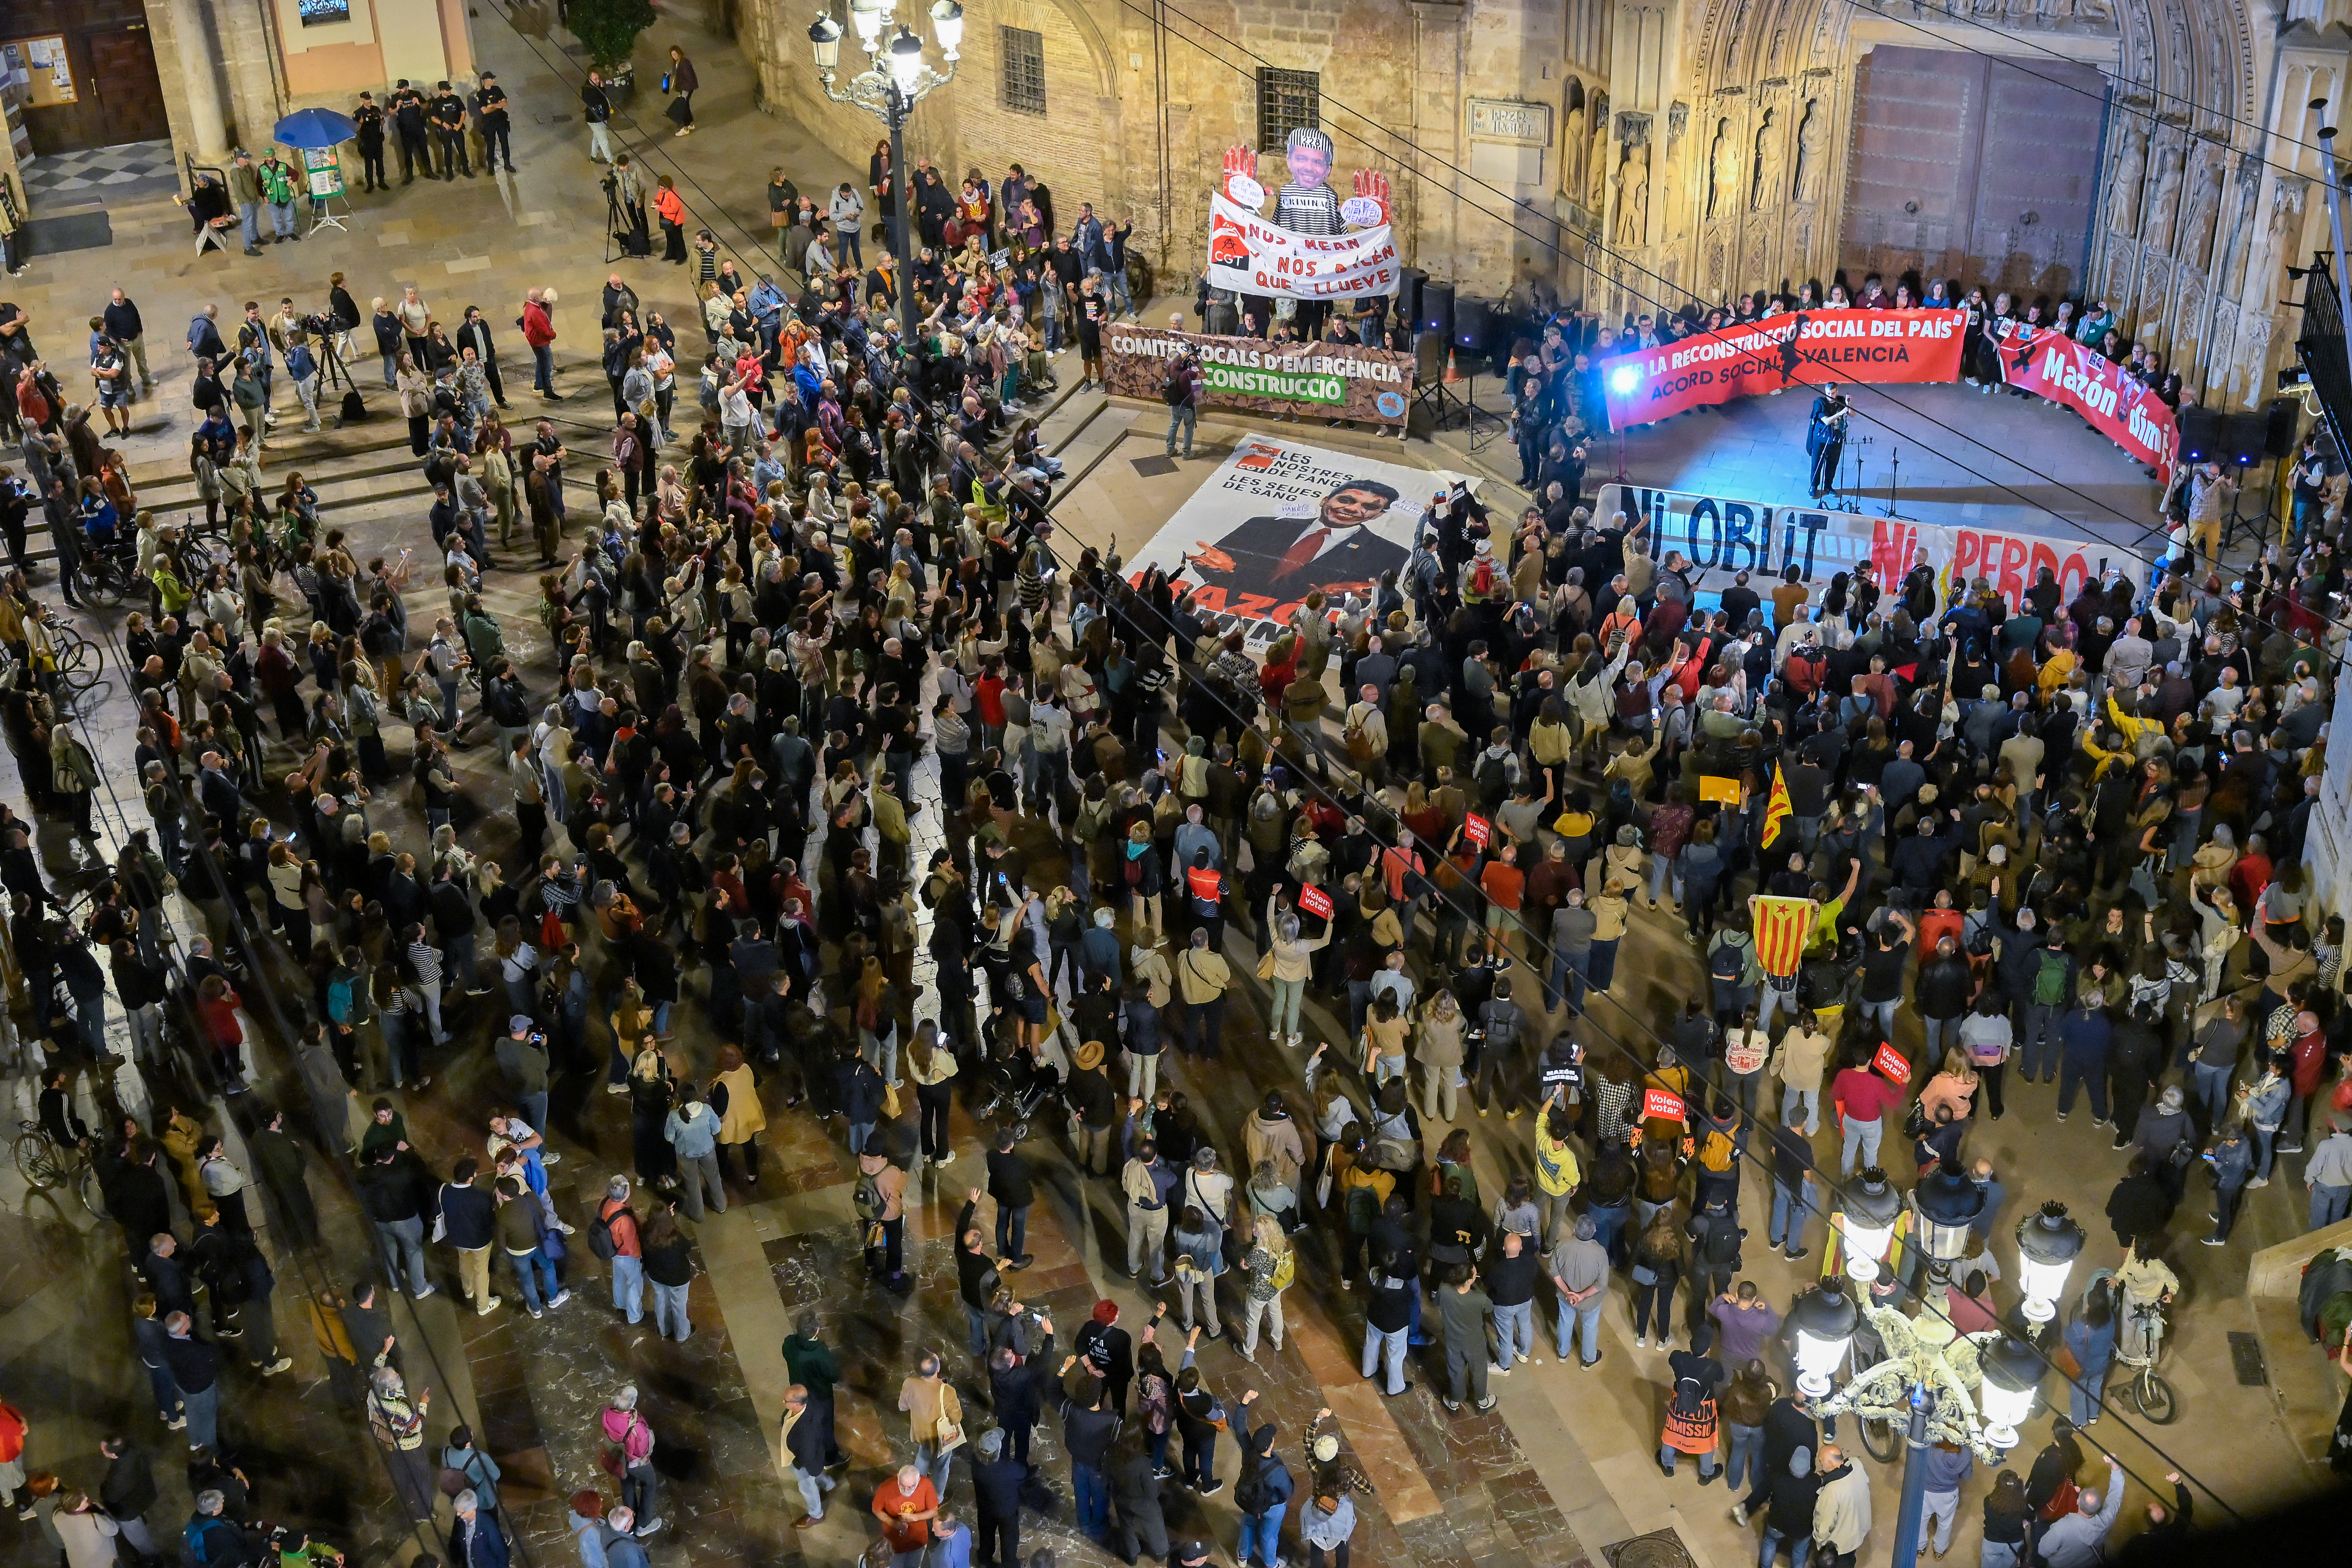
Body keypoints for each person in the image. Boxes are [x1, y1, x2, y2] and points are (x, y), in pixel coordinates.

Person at [2034, 1454, 2125, 1568]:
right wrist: (2115, 1466)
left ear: (2078, 1502)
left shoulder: (2062, 1528)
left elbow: (2043, 1551)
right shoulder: (2106, 1520)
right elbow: (2116, 1496)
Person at [1810, 1444, 1871, 1568]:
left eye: (1821, 1461)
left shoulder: (1831, 1492)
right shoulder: (1856, 1464)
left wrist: (1820, 1544)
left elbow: (1824, 1526)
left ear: (1831, 1463)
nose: (1820, 1463)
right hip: (1859, 1530)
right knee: (1850, 1558)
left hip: (1841, 1544)